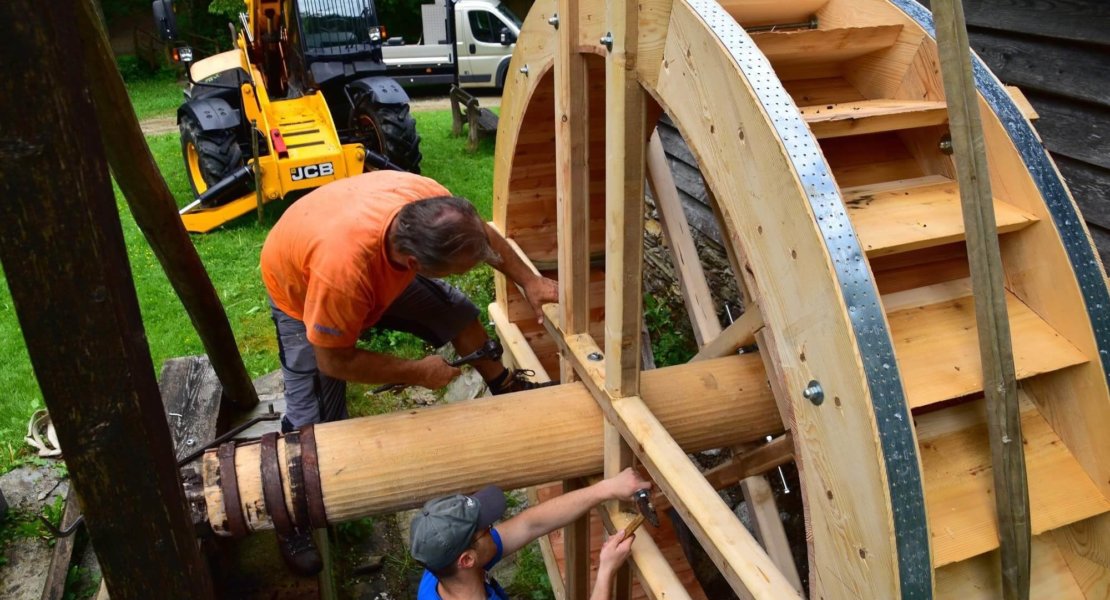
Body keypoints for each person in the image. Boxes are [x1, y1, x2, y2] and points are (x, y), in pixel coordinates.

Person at [260, 170, 559, 433]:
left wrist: (530, 281)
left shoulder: (432, 202)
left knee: (457, 314)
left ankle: (507, 387)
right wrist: (416, 371)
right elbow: (334, 360)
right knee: (313, 429)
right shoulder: (343, 276)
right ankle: (300, 451)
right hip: (300, 286)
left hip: (348, 239)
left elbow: (483, 236)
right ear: (415, 264)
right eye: (459, 269)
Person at [409, 468, 649, 600]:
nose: (495, 530)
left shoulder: (439, 574)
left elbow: (530, 524)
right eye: (488, 529)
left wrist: (605, 489)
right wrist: (606, 570)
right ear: (467, 560)